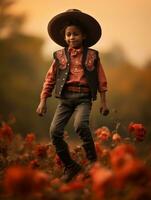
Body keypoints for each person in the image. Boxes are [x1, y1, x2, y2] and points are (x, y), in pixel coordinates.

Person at [36, 9, 109, 182]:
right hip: (65, 100)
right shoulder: (59, 56)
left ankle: (93, 163)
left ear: (83, 36)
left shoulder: (92, 56)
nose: (71, 37)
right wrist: (42, 101)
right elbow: (49, 79)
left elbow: (101, 80)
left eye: (75, 34)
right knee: (54, 131)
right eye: (68, 34)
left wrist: (104, 102)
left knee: (81, 125)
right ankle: (70, 165)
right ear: (64, 37)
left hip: (83, 98)